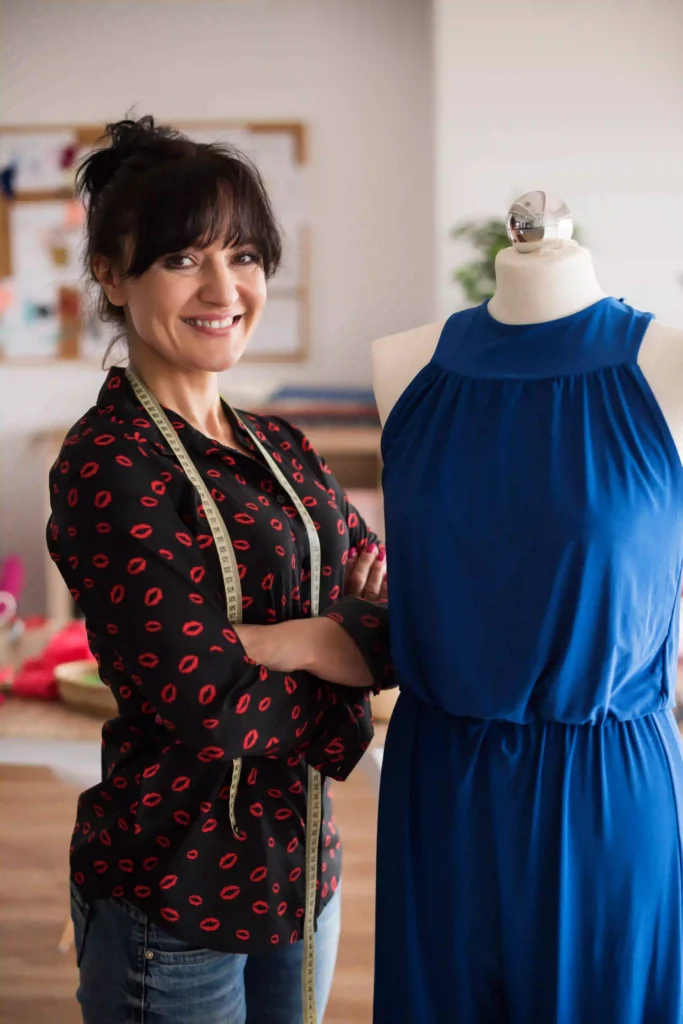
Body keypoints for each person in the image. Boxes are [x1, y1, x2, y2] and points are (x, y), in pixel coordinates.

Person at [46, 115, 392, 1024]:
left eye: (242, 255)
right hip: (171, 886)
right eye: (181, 259)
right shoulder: (107, 461)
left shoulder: (281, 444)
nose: (223, 287)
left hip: (300, 869)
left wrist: (283, 642)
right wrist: (335, 653)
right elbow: (203, 700)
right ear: (112, 276)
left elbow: (395, 609)